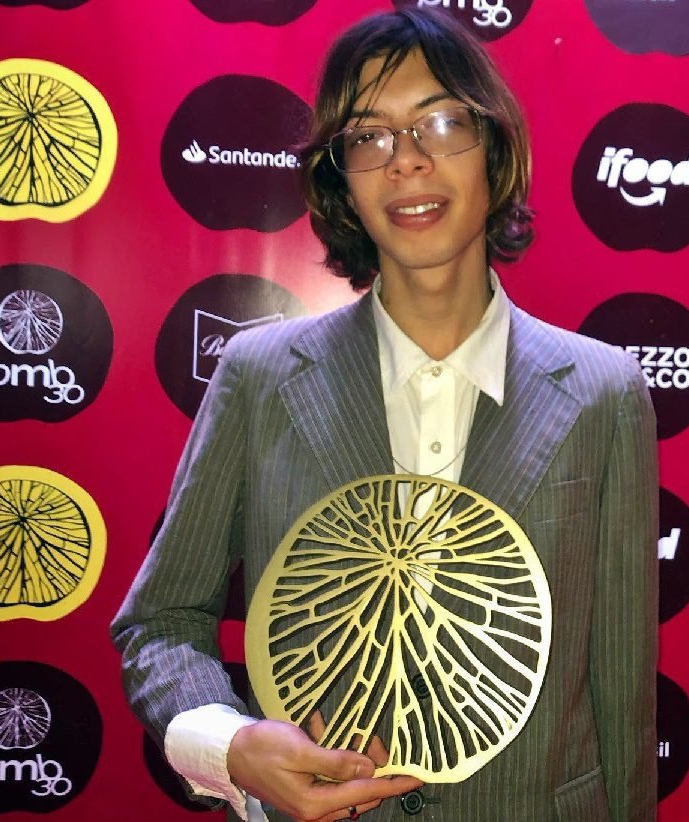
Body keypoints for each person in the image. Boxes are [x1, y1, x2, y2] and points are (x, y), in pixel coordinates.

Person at [112, 9, 658, 822]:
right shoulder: (259, 377)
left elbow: (622, 686)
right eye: (368, 136)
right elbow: (159, 623)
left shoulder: (605, 392)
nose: (406, 159)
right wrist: (231, 745)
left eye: (440, 122)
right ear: (342, 180)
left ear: (495, 148)